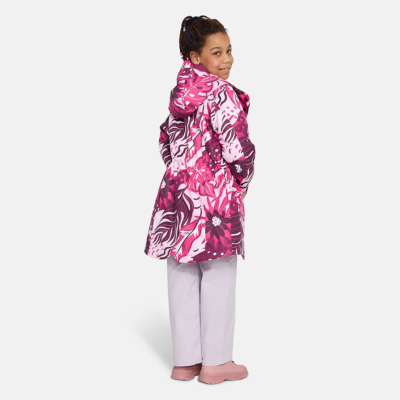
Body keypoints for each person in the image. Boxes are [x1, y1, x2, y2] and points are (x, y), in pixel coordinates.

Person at [144, 15, 256, 384]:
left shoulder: (180, 95)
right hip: (214, 196)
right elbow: (238, 147)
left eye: (229, 50)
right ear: (195, 57)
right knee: (218, 272)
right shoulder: (222, 93)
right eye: (217, 52)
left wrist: (181, 171)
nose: (228, 59)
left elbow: (165, 139)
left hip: (176, 195)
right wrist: (239, 182)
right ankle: (216, 363)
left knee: (181, 270)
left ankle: (186, 361)